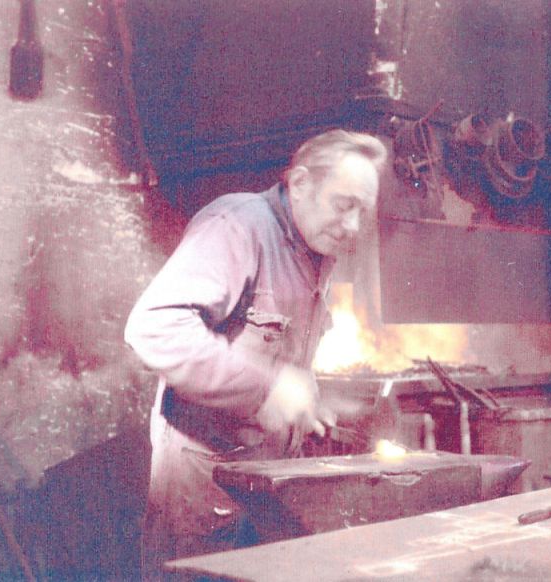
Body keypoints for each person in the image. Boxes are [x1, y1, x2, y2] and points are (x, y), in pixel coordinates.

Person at [124, 129, 387, 579]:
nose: (353, 226)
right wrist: (267, 387)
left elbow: (271, 349)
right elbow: (153, 327)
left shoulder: (315, 250)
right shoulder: (238, 226)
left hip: (265, 486)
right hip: (204, 496)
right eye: (344, 205)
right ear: (299, 183)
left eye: (362, 211)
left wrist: (304, 401)